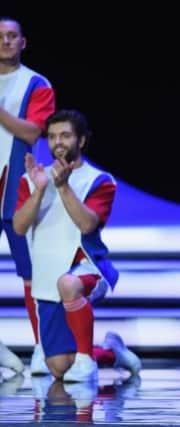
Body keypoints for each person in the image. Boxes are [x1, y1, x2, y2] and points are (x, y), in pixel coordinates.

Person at [12, 109, 141, 382]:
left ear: (81, 141)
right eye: (52, 136)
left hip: (87, 268)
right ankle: (110, 352)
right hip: (48, 275)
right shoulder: (32, 178)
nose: (58, 142)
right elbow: (19, 227)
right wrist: (38, 192)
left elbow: (87, 224)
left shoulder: (100, 181)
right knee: (59, 366)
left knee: (69, 284)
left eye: (66, 136)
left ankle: (86, 361)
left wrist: (63, 188)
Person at [0, 16, 56, 376]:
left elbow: (33, 131)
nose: (5, 41)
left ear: (23, 42)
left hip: (14, 187)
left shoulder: (36, 84)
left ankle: (43, 348)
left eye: (11, 36)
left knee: (31, 273)